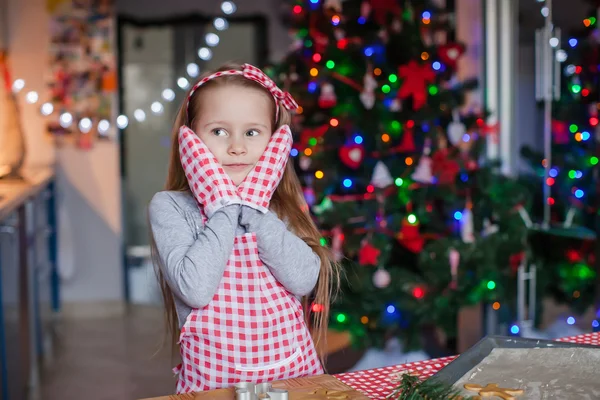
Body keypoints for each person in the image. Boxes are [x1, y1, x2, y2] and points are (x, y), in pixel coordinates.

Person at [148, 62, 339, 393]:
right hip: (213, 388)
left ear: (275, 142)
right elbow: (195, 288)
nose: (237, 147)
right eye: (219, 131)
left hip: (290, 380)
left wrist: (255, 212)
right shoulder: (170, 207)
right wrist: (223, 207)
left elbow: (304, 278)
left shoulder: (279, 207)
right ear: (191, 141)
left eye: (252, 132)